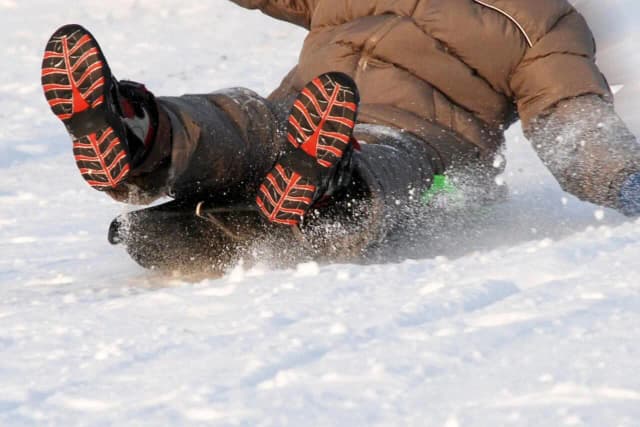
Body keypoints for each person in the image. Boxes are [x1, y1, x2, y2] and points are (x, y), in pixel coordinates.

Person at [41, 0, 640, 273]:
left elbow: (574, 122)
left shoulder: (542, 22)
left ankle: (330, 188)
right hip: (304, 115)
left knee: (389, 159)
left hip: (424, 146)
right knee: (249, 116)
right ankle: (139, 134)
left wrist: (627, 181)